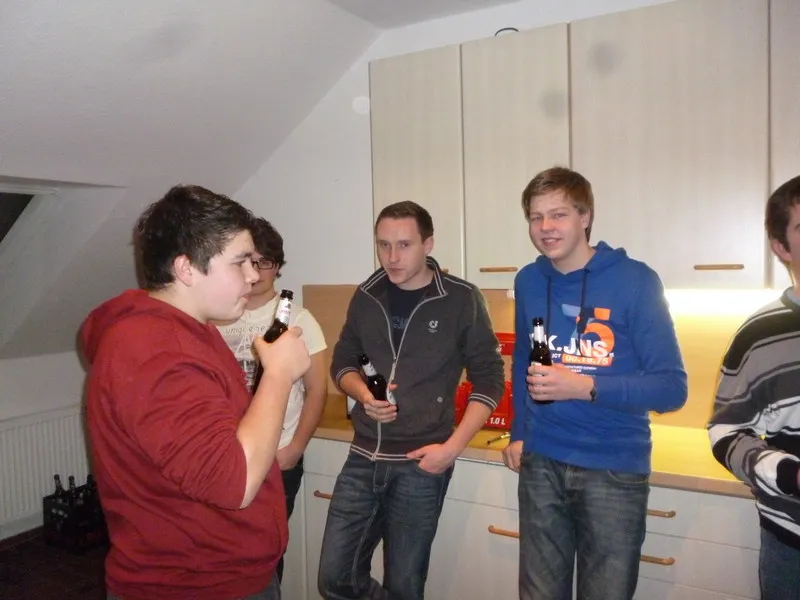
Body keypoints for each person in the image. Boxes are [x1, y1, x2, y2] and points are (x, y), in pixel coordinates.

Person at [80, 184, 310, 600]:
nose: (254, 274)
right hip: (195, 585)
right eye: (240, 262)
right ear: (186, 268)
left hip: (219, 573)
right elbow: (235, 483)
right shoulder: (155, 350)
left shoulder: (191, 331)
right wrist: (277, 374)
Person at [502, 167, 687, 600]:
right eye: (535, 217)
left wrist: (583, 387)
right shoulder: (529, 281)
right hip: (542, 461)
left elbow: (671, 389)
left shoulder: (635, 281)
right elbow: (525, 358)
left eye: (559, 214)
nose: (545, 228)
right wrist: (519, 432)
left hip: (613, 467)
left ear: (585, 217)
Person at [318, 200, 505, 600]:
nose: (392, 257)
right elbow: (342, 361)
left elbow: (490, 380)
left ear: (428, 244)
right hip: (363, 456)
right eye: (383, 245)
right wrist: (362, 394)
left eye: (404, 245)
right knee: (334, 578)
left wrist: (451, 449)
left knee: (405, 584)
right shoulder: (367, 294)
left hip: (421, 463)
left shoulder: (461, 299)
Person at [215, 217, 327, 583]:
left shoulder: (297, 318)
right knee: (224, 553)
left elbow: (317, 390)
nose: (256, 271)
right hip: (226, 455)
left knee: (265, 553)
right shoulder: (221, 313)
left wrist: (295, 448)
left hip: (278, 455)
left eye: (265, 262)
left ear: (277, 266)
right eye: (249, 261)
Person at [707, 175, 800, 600]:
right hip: (791, 542)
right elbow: (726, 431)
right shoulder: (758, 336)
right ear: (781, 247)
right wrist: (787, 473)